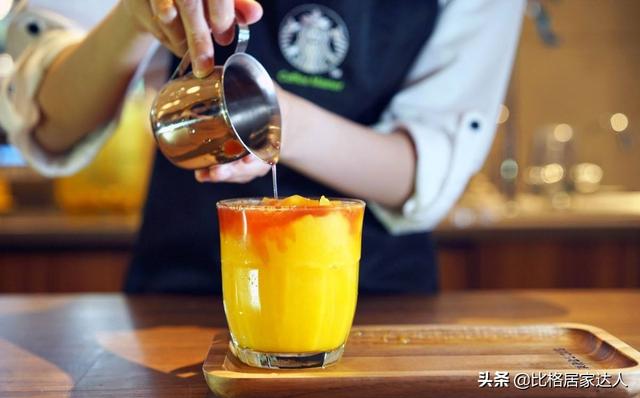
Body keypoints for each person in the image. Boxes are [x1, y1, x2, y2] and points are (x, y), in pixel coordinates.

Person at [0, 0, 524, 293]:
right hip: (181, 296)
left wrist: (281, 122)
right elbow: (48, 122)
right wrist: (136, 18)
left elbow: (424, 175)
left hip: (375, 303)